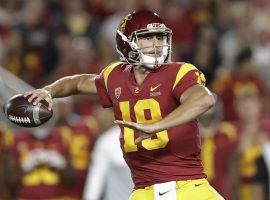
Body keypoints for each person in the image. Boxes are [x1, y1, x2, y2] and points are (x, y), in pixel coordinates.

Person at [24, 10, 222, 200]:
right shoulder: (115, 76)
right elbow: (78, 82)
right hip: (143, 190)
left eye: (160, 38)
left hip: (188, 185)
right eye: (148, 37)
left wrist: (158, 125)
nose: (156, 44)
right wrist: (49, 90)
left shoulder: (179, 72)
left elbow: (205, 99)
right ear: (127, 42)